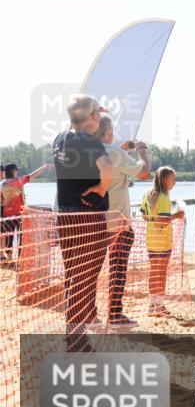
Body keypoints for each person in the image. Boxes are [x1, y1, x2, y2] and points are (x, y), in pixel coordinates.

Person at [52, 96, 115, 351]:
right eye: (97, 113)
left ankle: (74, 334)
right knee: (85, 277)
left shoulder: (60, 138)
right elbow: (107, 167)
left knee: (73, 276)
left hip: (65, 215)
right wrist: (101, 188)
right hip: (87, 216)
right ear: (93, 117)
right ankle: (76, 339)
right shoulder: (91, 141)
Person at [96, 116, 152, 328]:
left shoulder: (87, 153)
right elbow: (145, 172)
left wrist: (122, 151)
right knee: (118, 270)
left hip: (93, 223)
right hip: (118, 223)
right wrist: (141, 148)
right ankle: (115, 314)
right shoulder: (114, 153)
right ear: (108, 132)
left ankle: (89, 315)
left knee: (88, 273)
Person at [142, 166, 184, 317]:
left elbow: (145, 217)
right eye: (173, 179)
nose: (175, 182)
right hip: (163, 241)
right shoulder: (164, 198)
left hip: (151, 240)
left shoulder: (148, 194)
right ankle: (159, 306)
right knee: (161, 274)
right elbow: (162, 222)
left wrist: (163, 218)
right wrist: (176, 216)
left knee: (154, 273)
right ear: (165, 180)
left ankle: (152, 306)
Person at [1, 162, 52, 263]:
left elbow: (1, 201)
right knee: (22, 237)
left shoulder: (2, 184)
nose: (18, 172)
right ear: (13, 171)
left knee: (9, 236)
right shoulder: (18, 181)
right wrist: (45, 167)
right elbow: (32, 175)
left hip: (7, 214)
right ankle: (20, 260)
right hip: (20, 213)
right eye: (17, 170)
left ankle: (10, 260)